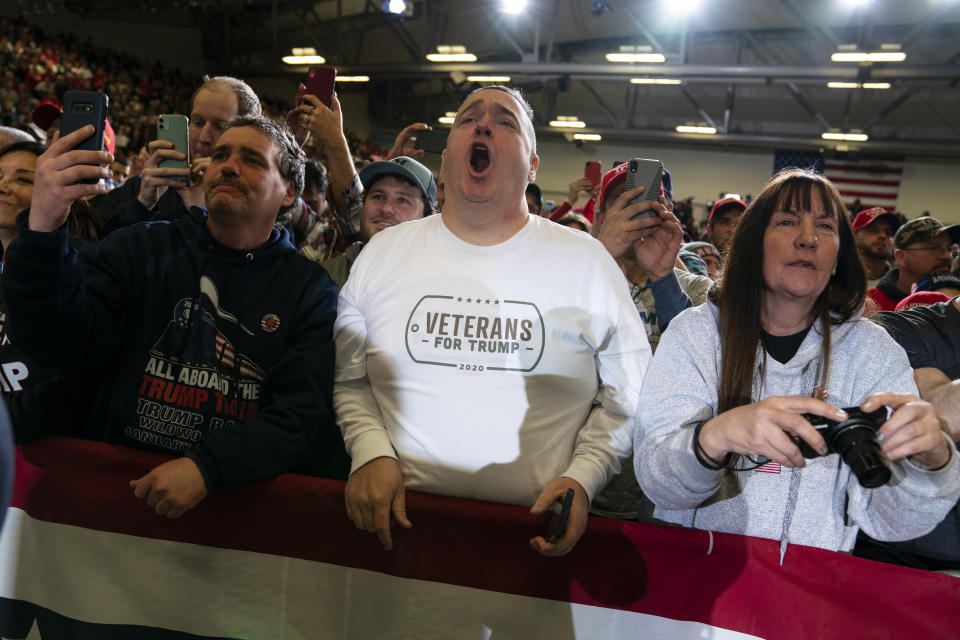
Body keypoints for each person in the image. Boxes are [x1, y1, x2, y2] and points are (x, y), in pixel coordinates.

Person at [334, 85, 650, 555]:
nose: (482, 124)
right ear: (445, 161)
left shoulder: (587, 263)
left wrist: (584, 477)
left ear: (533, 165)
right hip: (399, 531)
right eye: (467, 119)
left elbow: (628, 395)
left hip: (530, 541)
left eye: (506, 122)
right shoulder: (382, 254)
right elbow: (352, 382)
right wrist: (370, 451)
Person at [2, 116, 343, 519]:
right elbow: (60, 340)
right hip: (111, 504)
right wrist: (44, 228)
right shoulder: (138, 247)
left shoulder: (311, 291)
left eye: (251, 159)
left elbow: (300, 414)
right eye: (220, 155)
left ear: (288, 192)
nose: (228, 166)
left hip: (232, 518)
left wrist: (210, 466)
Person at [634, 168, 959, 554]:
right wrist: (717, 435)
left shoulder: (874, 351)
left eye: (825, 226)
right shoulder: (696, 334)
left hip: (805, 597)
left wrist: (932, 465)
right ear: (754, 246)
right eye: (787, 222)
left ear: (838, 257)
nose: (808, 239)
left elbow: (889, 522)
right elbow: (659, 483)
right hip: (696, 586)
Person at [294, 94, 436, 286]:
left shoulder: (440, 286)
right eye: (377, 196)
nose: (386, 208)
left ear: (428, 218)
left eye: (403, 200)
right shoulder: (324, 279)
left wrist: (334, 137)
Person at [91, 75, 262, 233]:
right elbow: (91, 248)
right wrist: (142, 205)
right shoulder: (144, 188)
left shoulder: (257, 201)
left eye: (220, 126)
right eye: (198, 122)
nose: (203, 137)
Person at [868, 216, 960, 312]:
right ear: (901, 257)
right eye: (933, 248)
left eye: (949, 249)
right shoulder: (870, 304)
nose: (946, 256)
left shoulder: (955, 297)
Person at [852, 207, 898, 288]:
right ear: (854, 236)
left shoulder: (901, 285)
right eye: (873, 230)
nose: (883, 236)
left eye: (888, 233)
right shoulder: (833, 277)